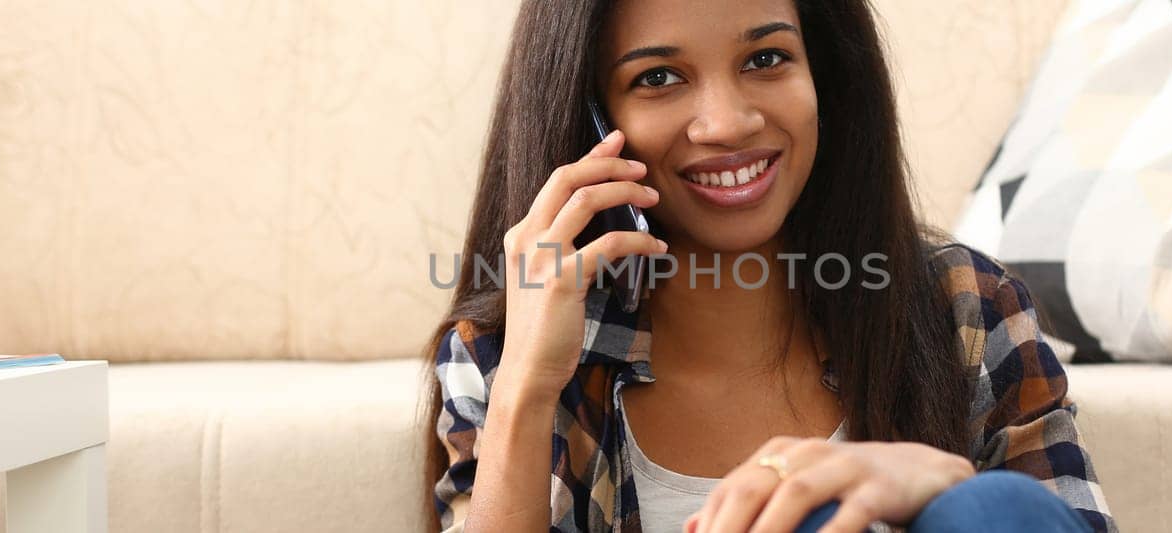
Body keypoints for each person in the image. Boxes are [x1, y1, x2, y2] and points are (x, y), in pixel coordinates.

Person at [421, 1, 1115, 531]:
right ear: (592, 121)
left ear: (826, 76)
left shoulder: (968, 305)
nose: (726, 123)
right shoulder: (504, 354)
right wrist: (526, 387)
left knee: (981, 506)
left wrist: (936, 481)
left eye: (765, 60)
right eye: (658, 77)